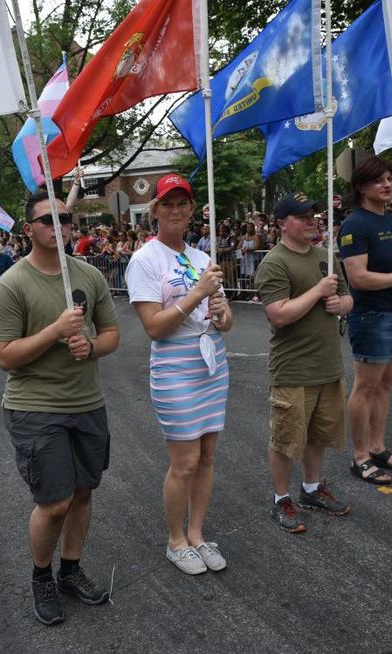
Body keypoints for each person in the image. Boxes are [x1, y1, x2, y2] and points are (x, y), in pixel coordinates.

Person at [0, 192, 120, 626]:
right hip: (35, 408)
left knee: (84, 492)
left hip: (88, 403)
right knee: (55, 502)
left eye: (65, 218)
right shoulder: (11, 284)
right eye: (48, 219)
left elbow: (112, 334)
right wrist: (56, 331)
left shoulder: (88, 275)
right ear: (29, 229)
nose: (59, 225)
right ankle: (41, 576)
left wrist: (91, 345)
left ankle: (70, 569)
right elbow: (5, 356)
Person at [125, 174, 234, 575]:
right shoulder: (145, 260)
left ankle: (198, 534)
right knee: (184, 461)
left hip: (211, 363)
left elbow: (225, 319)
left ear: (191, 210)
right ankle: (176, 541)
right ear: (154, 211)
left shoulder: (203, 258)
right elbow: (154, 327)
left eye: (182, 203)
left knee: (207, 455)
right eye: (166, 204)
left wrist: (222, 316)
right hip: (174, 368)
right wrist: (197, 294)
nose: (175, 210)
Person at [255, 198, 354, 534]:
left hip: (328, 365)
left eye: (313, 216)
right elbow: (279, 315)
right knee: (286, 439)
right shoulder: (274, 263)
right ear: (282, 223)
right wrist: (318, 292)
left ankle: (312, 489)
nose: (312, 221)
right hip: (293, 368)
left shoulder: (326, 256)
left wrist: (340, 302)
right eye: (302, 217)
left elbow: (348, 298)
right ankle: (281, 498)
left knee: (318, 434)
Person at [339, 156, 392, 484]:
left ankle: (377, 447)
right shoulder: (355, 224)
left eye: (389, 178)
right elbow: (358, 278)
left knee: (385, 385)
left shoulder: (391, 221)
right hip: (372, 315)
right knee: (365, 386)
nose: (387, 184)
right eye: (379, 180)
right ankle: (360, 455)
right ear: (361, 187)